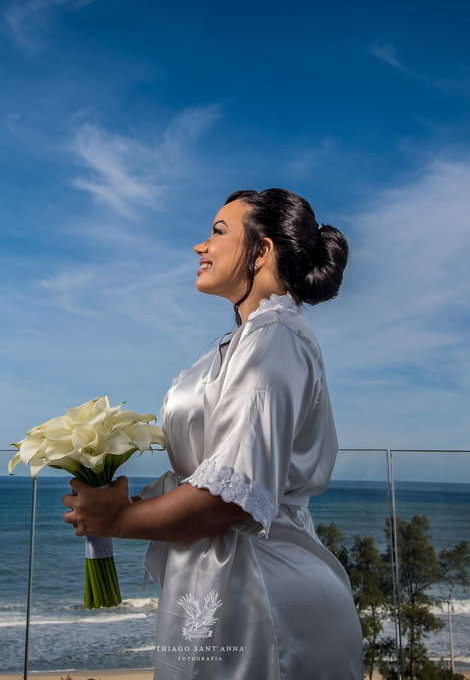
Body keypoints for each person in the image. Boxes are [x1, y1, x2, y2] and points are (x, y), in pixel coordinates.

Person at [62, 189, 363, 679]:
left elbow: (233, 497)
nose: (200, 246)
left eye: (219, 232)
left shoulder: (276, 337)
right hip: (217, 585)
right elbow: (217, 475)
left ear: (262, 251)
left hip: (261, 592)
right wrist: (122, 504)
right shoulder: (241, 342)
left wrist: (117, 519)